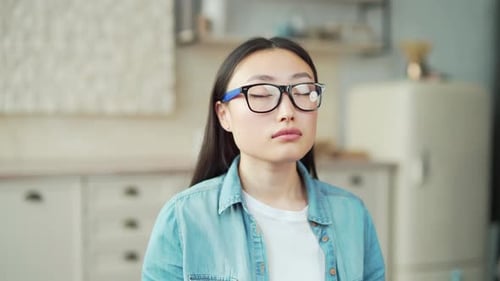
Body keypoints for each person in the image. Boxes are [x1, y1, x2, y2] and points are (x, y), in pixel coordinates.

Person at [142, 37, 385, 281]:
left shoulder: (352, 214)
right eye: (260, 95)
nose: (287, 112)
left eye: (302, 92)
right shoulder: (184, 218)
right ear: (224, 115)